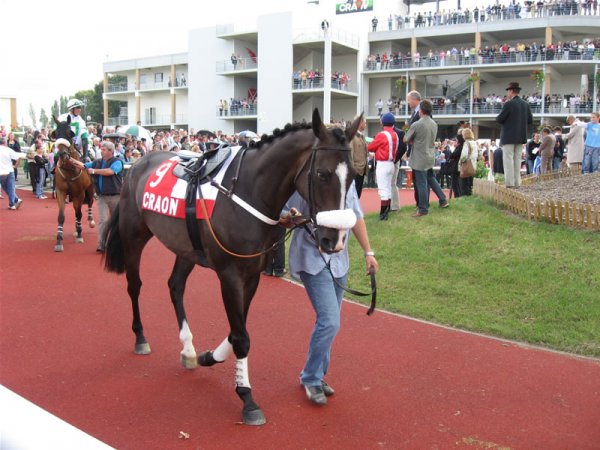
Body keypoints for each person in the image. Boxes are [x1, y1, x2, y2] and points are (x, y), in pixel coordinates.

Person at [281, 185, 378, 405]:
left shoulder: (347, 182)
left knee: (329, 322)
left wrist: (368, 253)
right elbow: (282, 213)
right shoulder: (302, 179)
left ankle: (316, 374)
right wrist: (291, 217)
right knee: (329, 322)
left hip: (339, 262)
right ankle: (311, 378)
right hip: (311, 259)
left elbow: (357, 216)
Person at [70, 141, 123, 252]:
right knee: (102, 221)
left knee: (116, 221)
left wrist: (94, 171)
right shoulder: (98, 162)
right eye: (101, 149)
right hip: (102, 196)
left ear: (110, 151)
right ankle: (101, 245)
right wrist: (71, 160)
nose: (101, 151)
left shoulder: (118, 162)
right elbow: (83, 166)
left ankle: (118, 243)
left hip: (115, 196)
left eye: (103, 149)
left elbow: (110, 172)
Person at [403, 100, 449, 216]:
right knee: (431, 179)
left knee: (421, 183)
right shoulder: (434, 123)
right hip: (429, 156)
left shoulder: (417, 124)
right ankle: (443, 200)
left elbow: (405, 139)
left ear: (421, 111)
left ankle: (423, 209)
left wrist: (413, 140)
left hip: (419, 158)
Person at [495, 82, 533, 187]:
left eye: (508, 91)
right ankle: (517, 182)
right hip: (520, 136)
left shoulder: (508, 104)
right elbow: (530, 120)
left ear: (511, 91)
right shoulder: (525, 104)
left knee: (508, 160)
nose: (507, 93)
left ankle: (509, 183)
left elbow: (499, 119)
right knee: (517, 160)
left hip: (508, 137)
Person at [367, 112, 398, 220]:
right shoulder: (395, 134)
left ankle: (383, 215)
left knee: (383, 190)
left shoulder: (382, 134)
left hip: (383, 164)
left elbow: (370, 147)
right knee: (388, 188)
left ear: (383, 122)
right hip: (391, 164)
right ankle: (386, 212)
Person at [0, 137, 26, 210]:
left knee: (5, 187)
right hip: (10, 170)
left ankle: (14, 202)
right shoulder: (8, 150)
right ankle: (14, 201)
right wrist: (15, 166)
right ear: (5, 143)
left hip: (1, 172)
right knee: (11, 187)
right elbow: (19, 156)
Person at [349, 115, 368, 198]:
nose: (366, 125)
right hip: (355, 170)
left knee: (358, 193)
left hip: (362, 169)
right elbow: (350, 154)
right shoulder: (352, 137)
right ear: (360, 123)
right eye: (365, 123)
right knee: (354, 194)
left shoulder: (362, 136)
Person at [458, 128, 480, 195]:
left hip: (466, 166)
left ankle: (465, 197)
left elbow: (464, 156)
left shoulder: (466, 143)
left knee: (464, 184)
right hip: (473, 165)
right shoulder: (475, 143)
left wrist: (460, 162)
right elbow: (480, 153)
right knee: (471, 183)